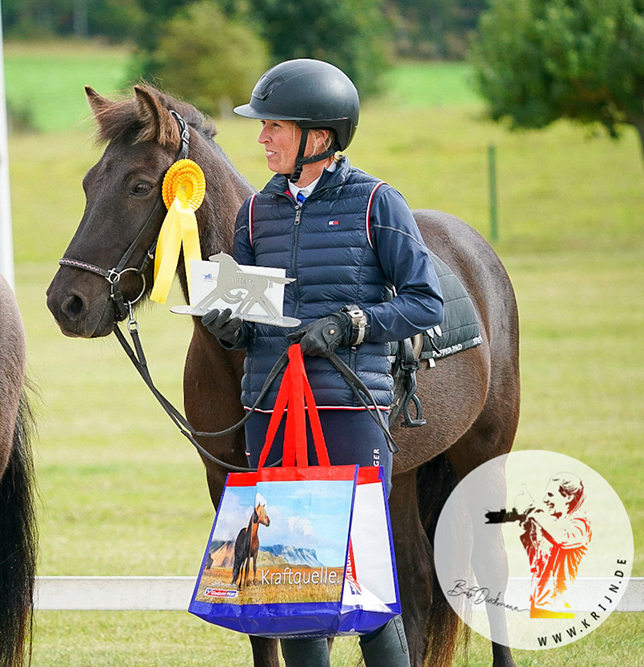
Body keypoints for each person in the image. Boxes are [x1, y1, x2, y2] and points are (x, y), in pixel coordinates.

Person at [200, 59, 445, 667]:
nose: (261, 138)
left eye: (273, 126)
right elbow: (251, 316)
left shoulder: (378, 205)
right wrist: (228, 324)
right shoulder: (254, 213)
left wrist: (353, 323)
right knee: (294, 587)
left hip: (349, 411)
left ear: (320, 135)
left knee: (363, 589)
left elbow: (424, 303)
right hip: (271, 414)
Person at [517, 473, 591, 618]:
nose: (545, 499)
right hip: (540, 603)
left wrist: (537, 515)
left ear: (568, 497)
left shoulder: (581, 523)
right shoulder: (552, 522)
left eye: (550, 495)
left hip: (561, 605)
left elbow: (562, 538)